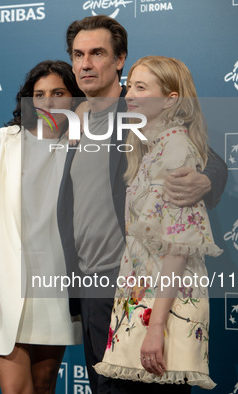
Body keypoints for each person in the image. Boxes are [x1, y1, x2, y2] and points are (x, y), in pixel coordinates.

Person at [57, 15, 228, 394]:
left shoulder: (138, 110)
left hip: (136, 287)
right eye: (78, 55)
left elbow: (206, 156)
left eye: (97, 53)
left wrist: (206, 179)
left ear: (119, 60)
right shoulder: (75, 120)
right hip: (92, 287)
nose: (85, 63)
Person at [94, 56, 222, 392]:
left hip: (163, 308)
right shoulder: (150, 148)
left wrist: (156, 326)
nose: (130, 95)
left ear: (171, 98)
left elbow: (178, 247)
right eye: (129, 86)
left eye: (141, 87)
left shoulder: (176, 149)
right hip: (140, 299)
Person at [0, 60, 85, 394]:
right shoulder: (5, 140)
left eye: (58, 93)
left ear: (74, 98)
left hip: (56, 284)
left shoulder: (82, 146)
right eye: (39, 93)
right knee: (16, 389)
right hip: (4, 285)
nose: (46, 101)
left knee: (44, 385)